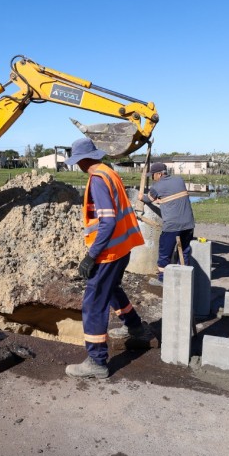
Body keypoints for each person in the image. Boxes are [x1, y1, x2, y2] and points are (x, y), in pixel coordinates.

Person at [64, 137, 148, 379]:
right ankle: (135, 327)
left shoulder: (98, 180)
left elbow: (108, 221)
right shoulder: (109, 172)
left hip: (109, 252)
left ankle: (96, 361)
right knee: (111, 290)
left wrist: (91, 256)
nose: (77, 165)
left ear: (82, 160)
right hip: (122, 247)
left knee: (93, 304)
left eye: (76, 161)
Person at [142, 162, 195, 287]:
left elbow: (147, 199)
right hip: (189, 224)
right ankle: (183, 279)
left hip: (172, 226)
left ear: (159, 174)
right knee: (184, 251)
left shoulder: (157, 186)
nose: (152, 178)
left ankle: (162, 279)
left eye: (153, 175)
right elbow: (173, 197)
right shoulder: (179, 180)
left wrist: (140, 196)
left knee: (165, 253)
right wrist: (162, 200)